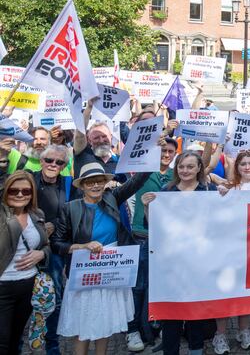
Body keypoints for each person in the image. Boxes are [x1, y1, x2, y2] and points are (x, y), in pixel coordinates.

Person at [52, 162, 149, 355]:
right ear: (82, 186)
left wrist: (154, 151)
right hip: (84, 273)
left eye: (99, 181)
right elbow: (57, 243)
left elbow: (139, 179)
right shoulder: (70, 208)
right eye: (90, 183)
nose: (95, 186)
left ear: (105, 183)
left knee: (104, 322)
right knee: (83, 322)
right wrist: (81, 246)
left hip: (111, 271)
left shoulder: (113, 198)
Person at [141, 151, 216, 355]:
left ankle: (196, 350)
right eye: (181, 166)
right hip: (171, 262)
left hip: (200, 261)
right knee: (171, 311)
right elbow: (155, 226)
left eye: (190, 166)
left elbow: (221, 221)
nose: (185, 170)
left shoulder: (209, 190)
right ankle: (170, 351)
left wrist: (225, 197)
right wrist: (147, 208)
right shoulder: (167, 191)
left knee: (195, 309)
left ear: (199, 168)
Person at [212, 151, 250, 354]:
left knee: (247, 292)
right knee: (226, 291)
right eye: (242, 163)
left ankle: (244, 330)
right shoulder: (229, 188)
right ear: (237, 167)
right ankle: (220, 334)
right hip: (229, 248)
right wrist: (222, 197)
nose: (246, 167)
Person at [126, 138, 176, 352]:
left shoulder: (176, 176)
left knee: (159, 286)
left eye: (170, 151)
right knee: (138, 286)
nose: (166, 154)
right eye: (162, 150)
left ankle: (155, 327)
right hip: (142, 234)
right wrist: (154, 142)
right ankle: (133, 330)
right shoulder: (144, 172)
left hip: (166, 239)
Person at [0, 171, 50, 355]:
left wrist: (41, 254)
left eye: (26, 191)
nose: (20, 195)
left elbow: (46, 245)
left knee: (15, 340)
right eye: (14, 190)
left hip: (28, 286)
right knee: (2, 343)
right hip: (3, 286)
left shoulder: (37, 214)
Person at [31, 144, 74, 355]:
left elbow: (73, 212)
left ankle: (52, 345)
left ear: (64, 165)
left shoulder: (68, 184)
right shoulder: (29, 180)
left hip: (54, 250)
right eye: (49, 160)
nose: (53, 165)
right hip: (27, 247)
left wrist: (55, 225)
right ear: (41, 161)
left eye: (59, 162)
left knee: (55, 297)